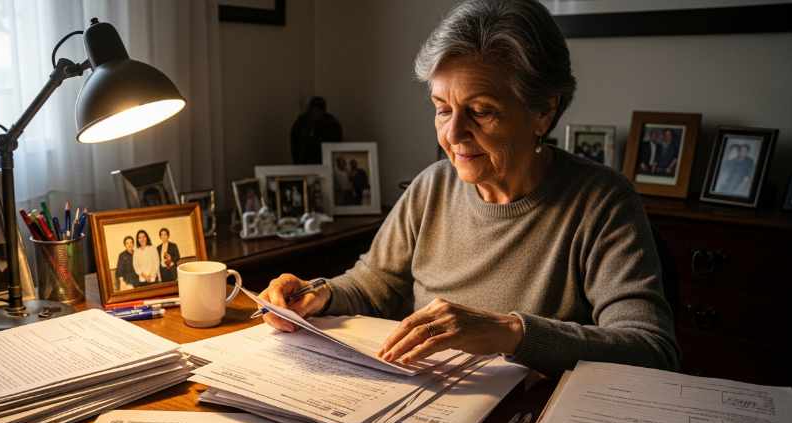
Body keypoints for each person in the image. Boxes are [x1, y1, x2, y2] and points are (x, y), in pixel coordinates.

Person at [258, 0, 678, 377]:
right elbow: (372, 284)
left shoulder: (601, 202)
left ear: (543, 112)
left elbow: (652, 350)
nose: (454, 133)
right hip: (421, 404)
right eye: (442, 109)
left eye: (481, 111)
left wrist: (511, 332)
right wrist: (319, 295)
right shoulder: (432, 186)